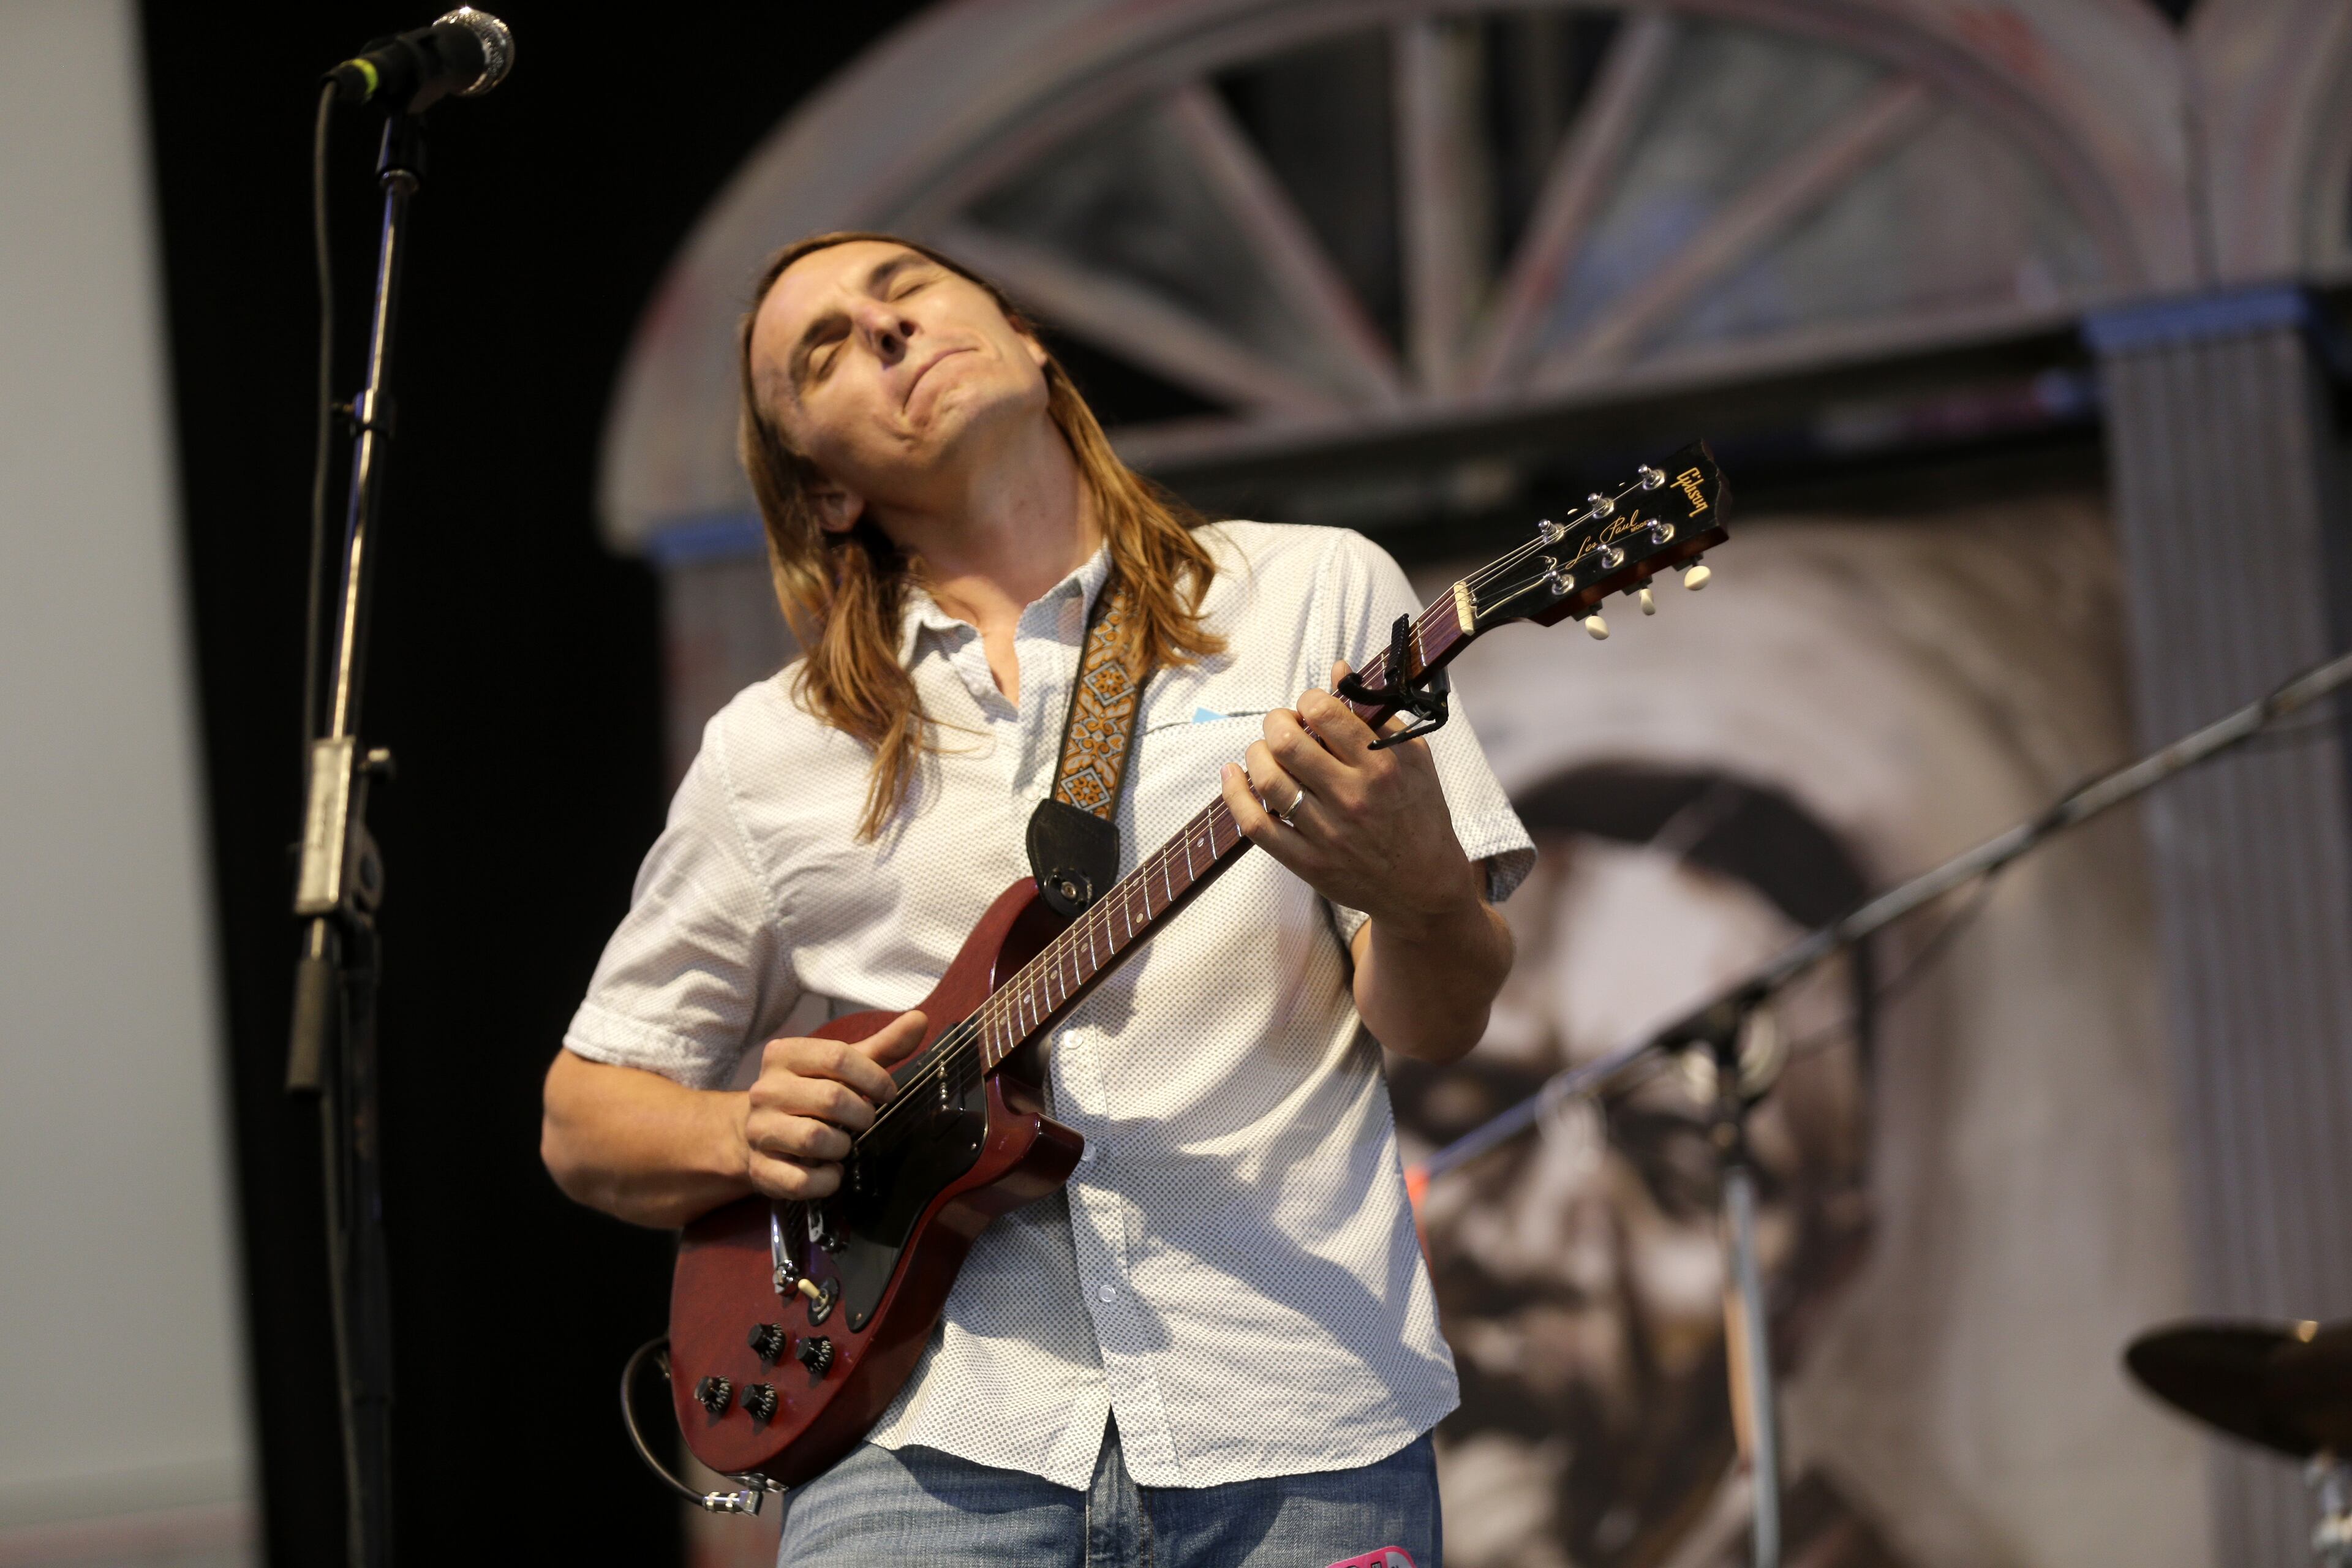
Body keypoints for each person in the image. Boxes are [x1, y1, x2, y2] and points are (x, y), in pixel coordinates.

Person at [539, 232, 1534, 1566]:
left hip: (1299, 1416)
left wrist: (1419, 894)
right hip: (924, 1440)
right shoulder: (771, 746)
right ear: (823, 488)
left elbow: (1435, 1021)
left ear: (1027, 337)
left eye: (906, 293)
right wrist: (742, 1132)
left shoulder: (1312, 592)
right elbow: (582, 1118)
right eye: (824, 348)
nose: (883, 331)